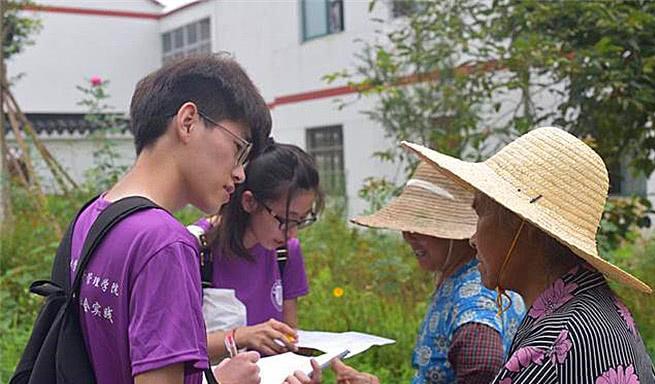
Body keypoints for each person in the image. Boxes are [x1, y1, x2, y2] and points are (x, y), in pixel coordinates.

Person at [68, 53, 317, 384]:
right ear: (188, 122)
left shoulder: (92, 217)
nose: (240, 171)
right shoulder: (166, 243)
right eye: (239, 148)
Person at [403, 126, 655, 383]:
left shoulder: (549, 351)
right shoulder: (597, 309)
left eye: (480, 214)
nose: (472, 238)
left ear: (523, 228)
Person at [331, 162, 526, 384]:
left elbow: (484, 364)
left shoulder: (473, 298)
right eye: (407, 227)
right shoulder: (464, 278)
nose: (408, 236)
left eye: (421, 228)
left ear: (454, 234)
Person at [194, 141, 323, 361]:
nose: (292, 234)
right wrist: (241, 337)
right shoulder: (197, 249)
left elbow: (290, 337)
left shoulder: (286, 252)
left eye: (300, 222)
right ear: (250, 202)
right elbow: (176, 348)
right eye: (286, 220)